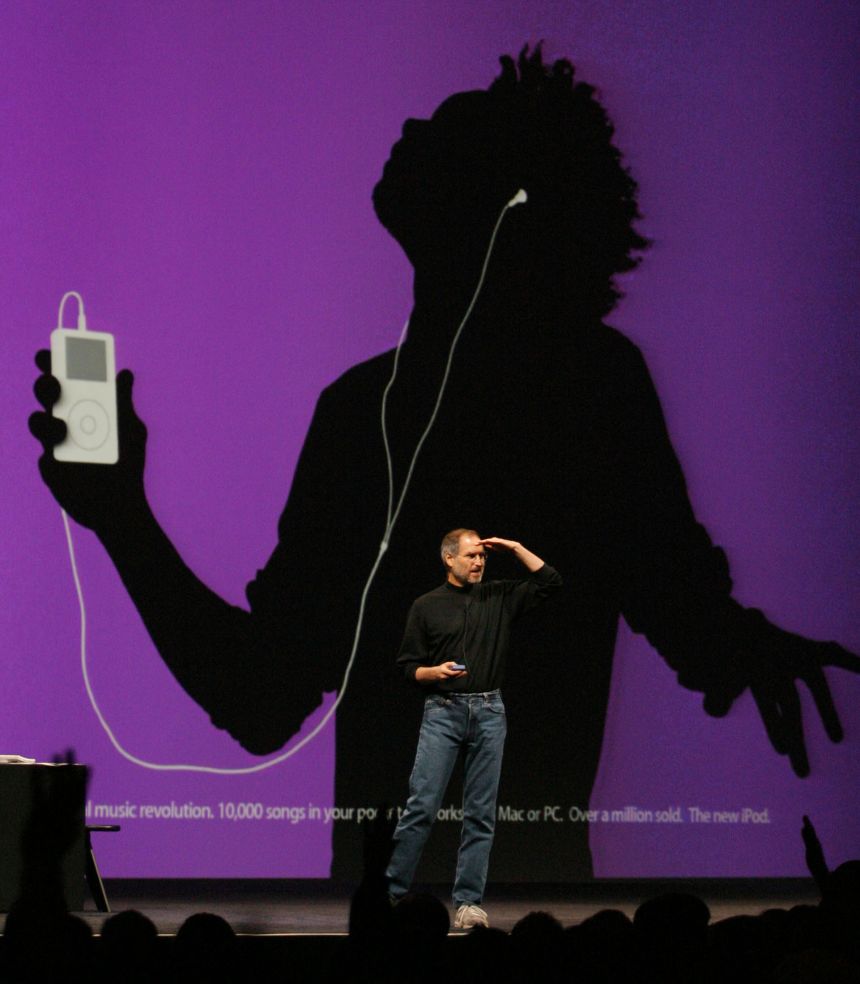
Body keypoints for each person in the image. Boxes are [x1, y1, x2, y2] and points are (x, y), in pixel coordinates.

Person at [30, 46, 858, 882]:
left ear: (504, 203)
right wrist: (119, 514)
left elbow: (261, 696)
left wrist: (123, 519)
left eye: (448, 127)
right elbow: (263, 696)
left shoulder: (556, 394)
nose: (414, 124)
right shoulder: (411, 407)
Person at [386, 530, 562, 927]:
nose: (479, 562)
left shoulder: (497, 596)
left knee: (480, 813)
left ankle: (468, 903)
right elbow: (406, 666)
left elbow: (551, 581)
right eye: (471, 556)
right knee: (421, 808)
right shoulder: (426, 606)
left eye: (483, 557)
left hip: (488, 711)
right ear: (449, 559)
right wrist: (432, 672)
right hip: (443, 711)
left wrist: (515, 548)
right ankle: (390, 894)